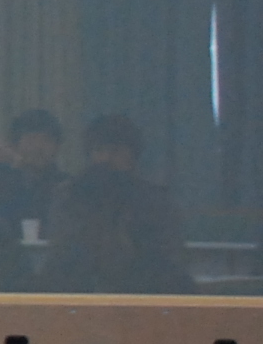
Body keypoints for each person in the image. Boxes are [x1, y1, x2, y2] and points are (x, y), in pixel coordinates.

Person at [49, 113, 194, 296]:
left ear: (132, 156)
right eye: (99, 150)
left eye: (115, 151)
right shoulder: (70, 197)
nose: (105, 158)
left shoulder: (155, 202)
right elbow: (62, 256)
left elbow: (166, 261)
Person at [0, 107, 68, 282]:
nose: (38, 147)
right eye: (31, 139)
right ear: (15, 145)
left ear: (57, 146)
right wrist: (8, 170)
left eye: (46, 140)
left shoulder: (66, 187)